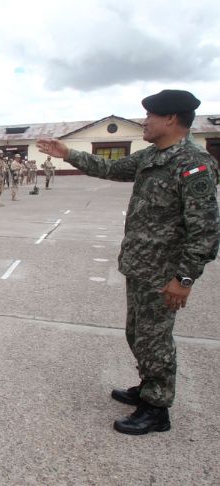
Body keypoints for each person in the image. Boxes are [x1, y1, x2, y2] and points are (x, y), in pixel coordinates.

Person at [37, 89, 219, 435]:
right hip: (141, 266)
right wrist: (68, 153)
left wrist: (184, 279)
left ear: (172, 119)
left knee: (155, 339)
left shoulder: (193, 165)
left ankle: (157, 408)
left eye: (150, 116)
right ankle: (148, 385)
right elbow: (110, 166)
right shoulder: (153, 156)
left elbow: (206, 230)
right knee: (138, 334)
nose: (144, 122)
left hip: (164, 272)